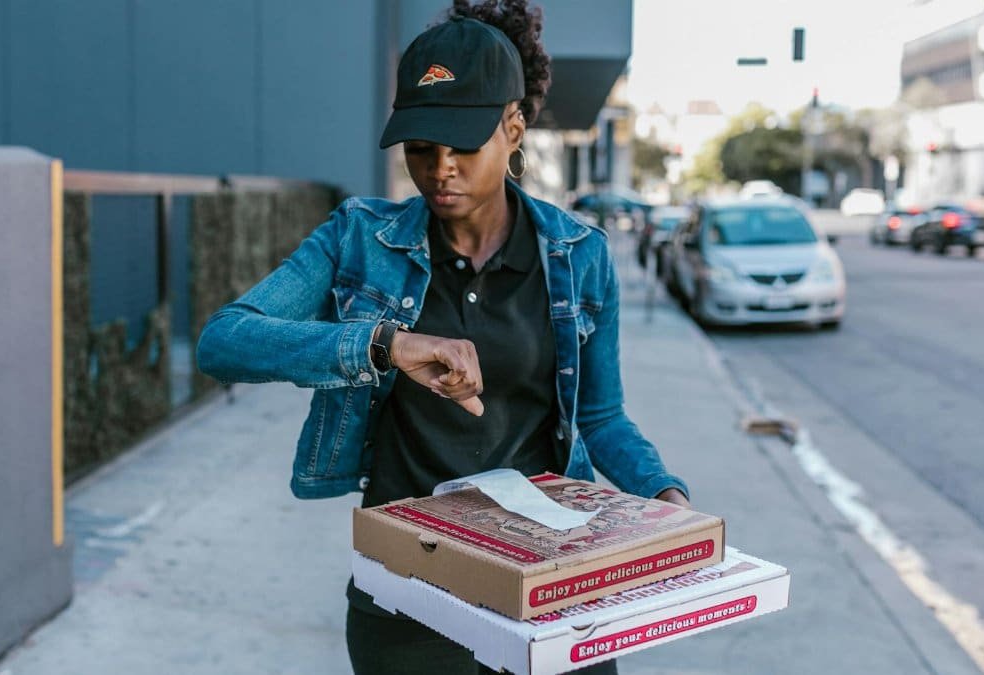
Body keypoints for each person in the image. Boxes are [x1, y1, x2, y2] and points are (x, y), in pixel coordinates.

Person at [196, 1, 690, 672]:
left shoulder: (580, 254)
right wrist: (383, 344)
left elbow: (600, 416)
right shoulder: (358, 237)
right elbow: (224, 340)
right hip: (409, 588)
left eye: (462, 146)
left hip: (549, 578)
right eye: (422, 148)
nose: (439, 169)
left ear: (513, 129)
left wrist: (663, 497)